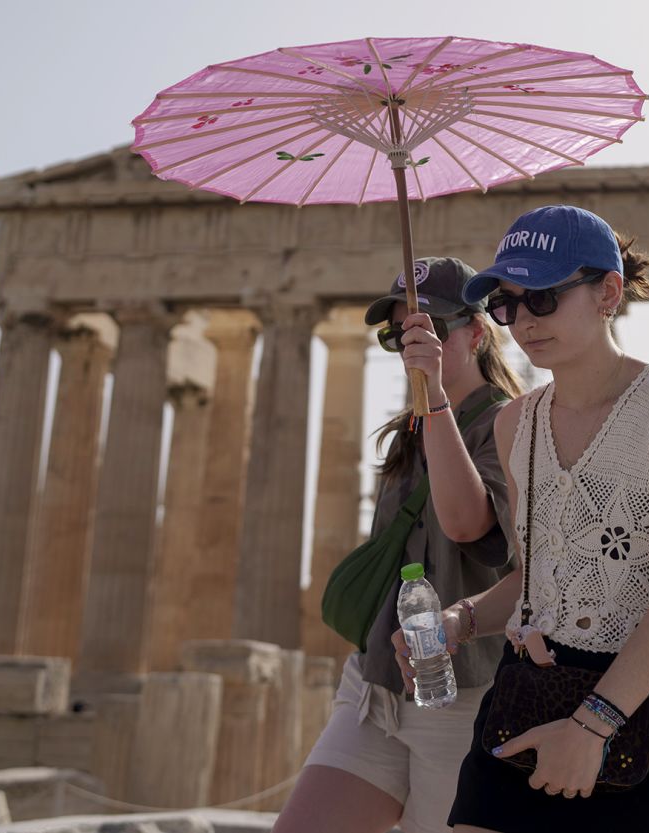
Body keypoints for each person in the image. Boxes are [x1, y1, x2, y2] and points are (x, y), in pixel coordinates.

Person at [443, 205, 649, 833]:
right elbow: (537, 577)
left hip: (648, 701)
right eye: (506, 304)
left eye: (542, 297)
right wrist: (458, 621)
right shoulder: (515, 422)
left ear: (608, 291)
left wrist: (594, 723)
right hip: (529, 691)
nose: (522, 321)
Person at [274, 258, 523, 833]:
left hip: (462, 693)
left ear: (476, 333)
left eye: (428, 328)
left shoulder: (509, 424)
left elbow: (467, 527)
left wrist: (435, 397)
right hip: (376, 683)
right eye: (398, 333)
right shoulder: (406, 432)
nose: (412, 344)